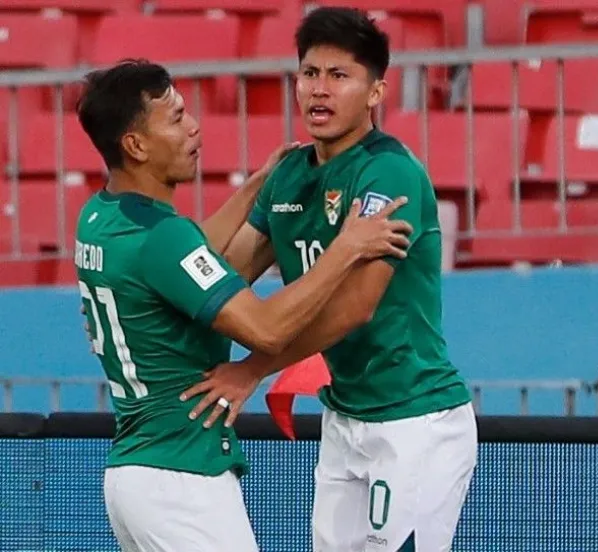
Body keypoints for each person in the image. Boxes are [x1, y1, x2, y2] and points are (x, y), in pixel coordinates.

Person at [74, 59, 412, 552]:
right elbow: (265, 329)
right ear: (136, 145)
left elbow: (186, 261)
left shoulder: (101, 218)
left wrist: (257, 186)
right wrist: (347, 249)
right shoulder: (162, 238)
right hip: (183, 478)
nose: (193, 128)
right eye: (175, 119)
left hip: (133, 478)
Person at [178, 7, 478, 552]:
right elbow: (228, 277)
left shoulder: (388, 172)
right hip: (343, 417)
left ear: (375, 92)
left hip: (415, 419)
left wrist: (253, 371)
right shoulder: (288, 174)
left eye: (339, 76)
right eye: (310, 73)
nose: (319, 89)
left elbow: (354, 306)